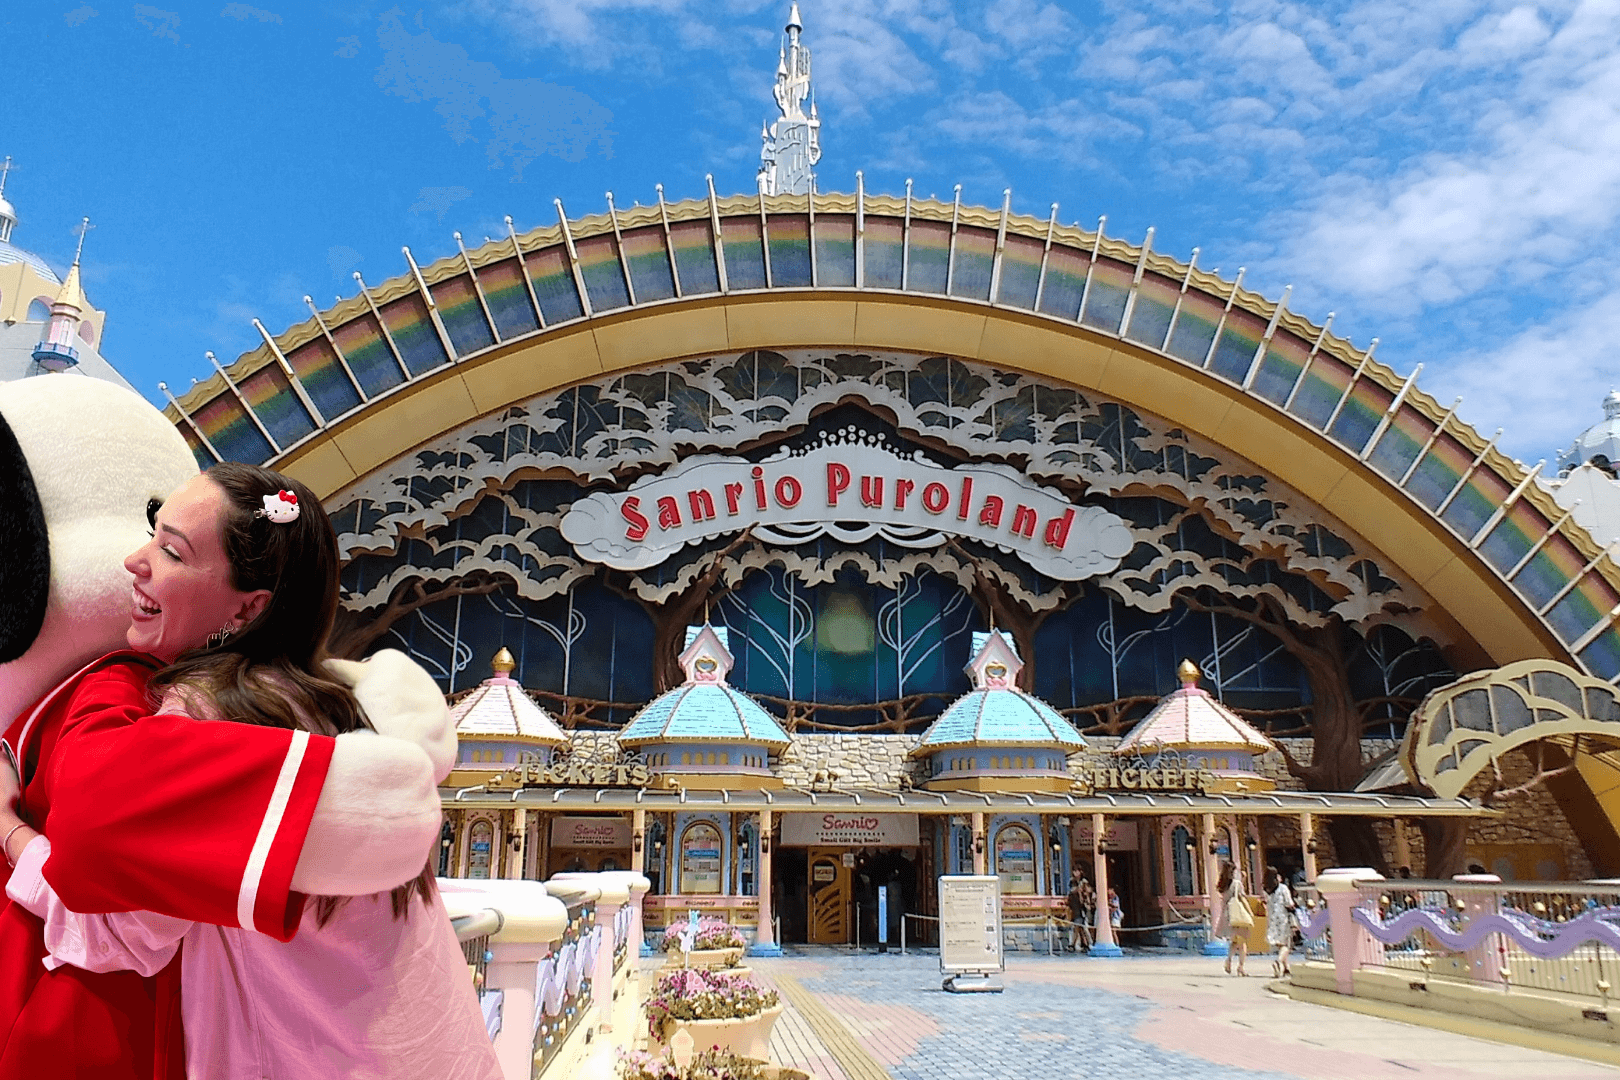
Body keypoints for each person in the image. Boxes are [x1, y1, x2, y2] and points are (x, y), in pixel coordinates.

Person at [3, 464, 498, 1079]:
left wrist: (9, 827)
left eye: (172, 552)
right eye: (152, 533)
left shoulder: (207, 723)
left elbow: (112, 934)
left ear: (249, 606)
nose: (136, 560)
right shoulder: (342, 704)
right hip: (435, 1052)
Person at [1216, 859, 1251, 975]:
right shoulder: (1236, 883)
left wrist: (1243, 880)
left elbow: (1232, 893)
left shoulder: (1222, 884)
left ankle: (1229, 961)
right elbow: (1241, 897)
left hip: (1228, 915)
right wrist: (1250, 912)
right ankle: (1241, 966)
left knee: (1235, 941)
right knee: (1242, 942)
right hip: (1238, 915)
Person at [1264, 868, 1294, 978]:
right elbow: (1288, 903)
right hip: (1283, 918)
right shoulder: (1283, 888)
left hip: (1272, 919)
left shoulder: (1267, 890)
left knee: (1280, 945)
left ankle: (1286, 968)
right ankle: (1278, 961)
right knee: (1286, 945)